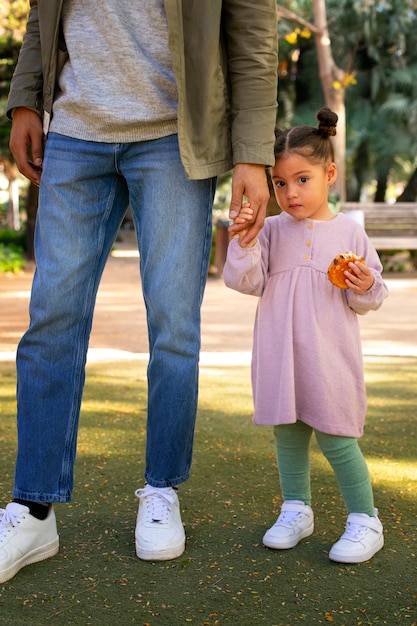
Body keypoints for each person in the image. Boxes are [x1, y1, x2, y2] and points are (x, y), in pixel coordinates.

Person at [0, 0, 278, 583]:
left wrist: (254, 151)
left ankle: (161, 490)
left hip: (175, 138)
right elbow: (42, 15)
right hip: (74, 129)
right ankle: (33, 507)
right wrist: (25, 96)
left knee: (175, 325)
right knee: (51, 320)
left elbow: (252, 35)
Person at [223, 108, 389, 564]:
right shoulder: (270, 230)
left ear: (329, 173)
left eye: (302, 179)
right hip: (281, 354)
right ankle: (296, 509)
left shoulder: (349, 232)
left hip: (329, 357)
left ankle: (364, 519)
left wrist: (365, 285)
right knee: (288, 434)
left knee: (337, 436)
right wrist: (244, 241)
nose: (290, 193)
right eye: (279, 183)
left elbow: (371, 294)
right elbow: (246, 282)